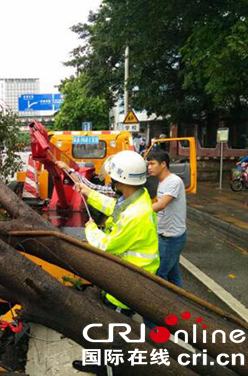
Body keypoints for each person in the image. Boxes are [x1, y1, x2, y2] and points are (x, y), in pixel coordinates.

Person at [57, 151, 159, 374]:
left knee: (113, 330)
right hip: (124, 276)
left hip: (130, 281)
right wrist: (88, 193)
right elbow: (114, 207)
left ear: (122, 180)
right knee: (104, 324)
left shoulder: (137, 214)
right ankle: (99, 362)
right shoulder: (135, 197)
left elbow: (107, 246)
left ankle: (114, 369)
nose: (110, 180)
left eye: (112, 177)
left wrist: (91, 228)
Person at [147, 151, 186, 288]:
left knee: (160, 275)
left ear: (163, 164)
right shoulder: (161, 181)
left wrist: (137, 210)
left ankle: (163, 305)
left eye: (152, 164)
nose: (149, 167)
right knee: (173, 276)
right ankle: (183, 304)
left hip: (172, 237)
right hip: (163, 234)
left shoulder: (174, 181)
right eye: (148, 164)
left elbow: (161, 205)